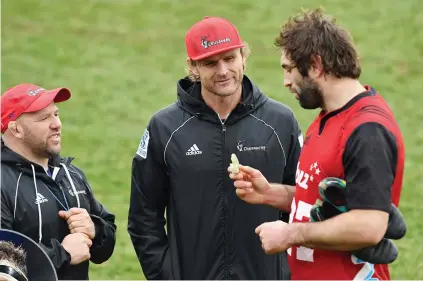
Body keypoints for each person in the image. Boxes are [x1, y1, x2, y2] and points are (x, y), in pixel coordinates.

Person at [229, 8, 405, 280]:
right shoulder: (327, 117)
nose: (286, 82)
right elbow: (315, 200)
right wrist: (269, 193)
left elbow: (369, 225)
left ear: (315, 65)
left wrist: (291, 233)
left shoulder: (367, 130)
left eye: (289, 70)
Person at [128, 16, 302, 280]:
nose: (222, 71)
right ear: (193, 66)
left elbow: (303, 201)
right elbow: (143, 216)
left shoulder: (280, 122)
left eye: (230, 58)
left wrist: (287, 270)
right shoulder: (164, 128)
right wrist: (164, 274)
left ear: (244, 55)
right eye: (210, 63)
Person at [1, 83, 117, 280]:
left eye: (56, 114)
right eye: (44, 118)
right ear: (16, 129)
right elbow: (4, 268)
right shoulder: (3, 183)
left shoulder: (71, 174)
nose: (57, 124)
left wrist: (95, 229)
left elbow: (104, 248)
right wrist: (62, 254)